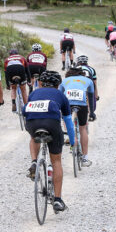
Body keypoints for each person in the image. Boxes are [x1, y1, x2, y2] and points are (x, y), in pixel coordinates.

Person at [24, 70, 75, 212]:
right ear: (58, 84)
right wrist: (72, 141)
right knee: (56, 161)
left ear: (40, 83)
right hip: (52, 124)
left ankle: (34, 161)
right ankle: (58, 200)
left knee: (34, 137)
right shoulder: (61, 95)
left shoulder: (34, 93)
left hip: (32, 123)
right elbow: (68, 122)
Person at [60, 67, 95, 167]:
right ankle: (85, 158)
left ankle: (69, 136)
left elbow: (59, 95)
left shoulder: (65, 80)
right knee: (83, 128)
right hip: (82, 105)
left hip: (68, 104)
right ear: (81, 74)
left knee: (66, 119)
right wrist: (92, 112)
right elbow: (91, 97)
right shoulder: (88, 80)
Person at [75, 55, 99, 121]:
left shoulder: (75, 68)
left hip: (78, 84)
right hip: (89, 84)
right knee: (89, 96)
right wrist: (96, 96)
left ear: (78, 62)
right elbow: (95, 83)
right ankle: (89, 113)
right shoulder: (91, 69)